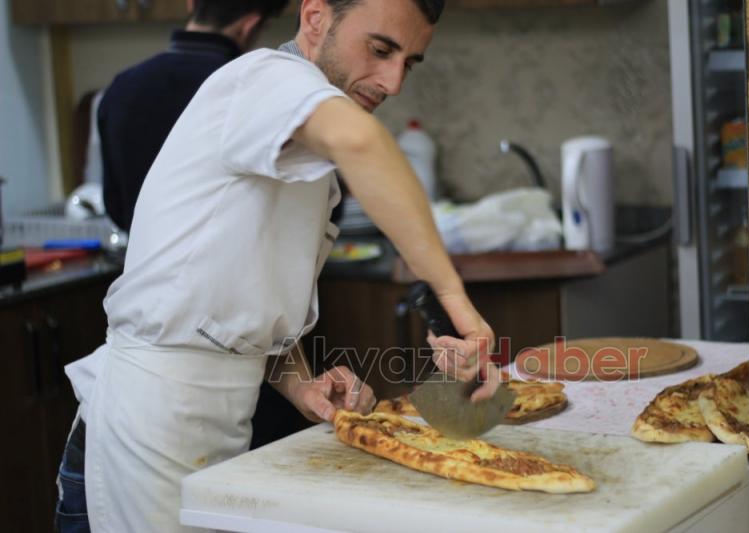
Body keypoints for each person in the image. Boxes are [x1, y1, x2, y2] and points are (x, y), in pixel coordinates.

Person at [58, 0, 501, 531]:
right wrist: (454, 297)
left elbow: (237, 296)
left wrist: (298, 383)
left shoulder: (298, 140)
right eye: (381, 49)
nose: (393, 81)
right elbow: (363, 142)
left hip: (213, 423)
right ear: (315, 19)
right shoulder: (264, 78)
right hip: (147, 423)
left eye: (410, 61)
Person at [99, 0, 287, 233]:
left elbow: (115, 207)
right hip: (228, 263)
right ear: (250, 25)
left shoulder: (122, 86)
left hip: (139, 263)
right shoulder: (252, 90)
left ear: (190, 5)